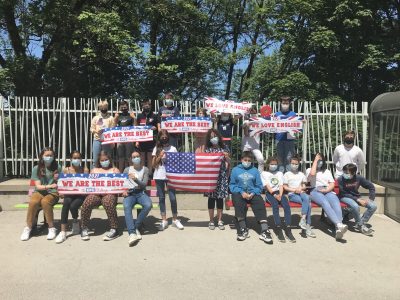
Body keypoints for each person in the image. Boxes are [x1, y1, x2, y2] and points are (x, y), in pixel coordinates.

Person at [229, 151, 273, 244]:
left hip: (252, 193)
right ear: (241, 160)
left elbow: (259, 186)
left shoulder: (255, 170)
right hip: (239, 192)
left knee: (260, 202)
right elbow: (232, 185)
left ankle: (265, 230)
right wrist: (241, 192)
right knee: (238, 202)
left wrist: (253, 193)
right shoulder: (235, 170)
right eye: (245, 160)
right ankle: (243, 228)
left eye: (249, 160)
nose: (247, 162)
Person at [20, 147, 62, 241]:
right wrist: (31, 192)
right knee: (33, 202)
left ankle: (51, 228)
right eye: (47, 155)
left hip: (53, 192)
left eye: (51, 155)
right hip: (39, 191)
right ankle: (28, 227)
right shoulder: (37, 168)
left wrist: (60, 191)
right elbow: (36, 185)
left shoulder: (57, 167)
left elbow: (60, 181)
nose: (49, 157)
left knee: (45, 202)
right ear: (42, 156)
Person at [80, 151, 120, 241]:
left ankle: (114, 228)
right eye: (102, 160)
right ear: (99, 161)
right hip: (96, 194)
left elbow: (119, 184)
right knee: (87, 202)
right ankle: (83, 228)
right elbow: (90, 184)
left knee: (107, 202)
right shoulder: (94, 170)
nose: (104, 161)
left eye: (106, 159)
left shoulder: (115, 170)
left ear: (109, 160)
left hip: (110, 193)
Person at [307, 153, 348, 240]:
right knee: (325, 203)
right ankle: (339, 224)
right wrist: (315, 160)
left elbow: (332, 183)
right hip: (315, 190)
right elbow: (312, 174)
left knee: (336, 203)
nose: (319, 162)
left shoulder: (327, 171)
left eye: (320, 160)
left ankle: (338, 229)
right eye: (317, 160)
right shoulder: (309, 170)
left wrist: (327, 190)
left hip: (327, 190)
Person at [152, 130, 184, 230]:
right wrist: (159, 156)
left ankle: (175, 219)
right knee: (161, 198)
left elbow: (178, 162)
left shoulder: (173, 148)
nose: (164, 137)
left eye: (166, 136)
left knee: (172, 198)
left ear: (168, 137)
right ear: (159, 137)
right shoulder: (156, 148)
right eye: (162, 136)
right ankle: (164, 220)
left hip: (170, 176)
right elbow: (153, 165)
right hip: (159, 175)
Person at [55, 151, 89, 244]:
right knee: (66, 204)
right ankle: (63, 232)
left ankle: (75, 220)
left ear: (81, 159)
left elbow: (87, 184)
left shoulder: (84, 170)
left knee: (73, 206)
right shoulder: (66, 170)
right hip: (69, 194)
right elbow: (61, 182)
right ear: (71, 159)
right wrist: (61, 191)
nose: (76, 160)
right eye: (74, 158)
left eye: (78, 158)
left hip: (80, 195)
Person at [262, 156, 296, 243]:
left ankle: (288, 228)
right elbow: (267, 186)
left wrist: (280, 195)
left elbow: (281, 185)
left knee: (286, 206)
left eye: (275, 164)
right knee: (275, 205)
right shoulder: (264, 173)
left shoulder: (280, 173)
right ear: (268, 164)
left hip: (279, 192)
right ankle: (278, 227)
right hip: (270, 193)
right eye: (272, 164)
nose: (273, 166)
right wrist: (274, 195)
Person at [123, 151, 152, 246]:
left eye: (137, 156)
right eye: (134, 157)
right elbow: (123, 182)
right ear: (131, 159)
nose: (136, 158)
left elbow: (144, 185)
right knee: (127, 206)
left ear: (141, 157)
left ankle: (135, 227)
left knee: (148, 205)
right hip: (130, 193)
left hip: (140, 192)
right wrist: (124, 190)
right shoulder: (127, 169)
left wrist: (136, 179)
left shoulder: (145, 169)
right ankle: (132, 233)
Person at [338, 163, 377, 236]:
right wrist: (358, 200)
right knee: (355, 206)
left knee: (373, 206)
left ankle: (360, 223)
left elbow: (371, 187)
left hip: (356, 197)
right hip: (344, 197)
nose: (345, 174)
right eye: (344, 172)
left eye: (347, 173)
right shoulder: (340, 179)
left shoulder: (359, 178)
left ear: (353, 173)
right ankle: (360, 226)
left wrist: (371, 199)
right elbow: (343, 193)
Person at [203, 129, 230, 230]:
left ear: (218, 137)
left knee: (220, 199)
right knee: (211, 199)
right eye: (211, 137)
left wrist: (227, 157)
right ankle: (211, 220)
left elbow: (229, 162)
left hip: (221, 176)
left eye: (215, 136)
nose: (213, 138)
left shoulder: (225, 148)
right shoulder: (207, 150)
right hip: (211, 177)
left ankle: (219, 220)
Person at [283, 155, 316, 238]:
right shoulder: (287, 174)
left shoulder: (301, 174)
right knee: (309, 204)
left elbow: (305, 186)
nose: (294, 165)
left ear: (299, 164)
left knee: (307, 198)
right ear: (290, 164)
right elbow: (285, 187)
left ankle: (303, 219)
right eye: (293, 163)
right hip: (292, 194)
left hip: (301, 192)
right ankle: (307, 226)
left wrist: (301, 188)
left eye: (296, 164)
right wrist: (294, 190)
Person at [274, 96, 298, 172]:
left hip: (289, 138)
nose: (285, 104)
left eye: (286, 103)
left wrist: (302, 121)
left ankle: (288, 175)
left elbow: (297, 124)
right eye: (283, 103)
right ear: (281, 103)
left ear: (289, 103)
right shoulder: (277, 114)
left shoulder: (293, 114)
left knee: (289, 158)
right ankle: (280, 175)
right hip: (279, 138)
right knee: (280, 158)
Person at [90, 100, 115, 168]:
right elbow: (91, 128)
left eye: (105, 108)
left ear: (107, 107)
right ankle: (94, 174)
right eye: (102, 108)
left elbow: (113, 130)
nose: (103, 109)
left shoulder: (111, 118)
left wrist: (112, 142)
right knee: (95, 159)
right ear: (99, 108)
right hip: (97, 140)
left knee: (107, 159)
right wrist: (96, 131)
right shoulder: (95, 118)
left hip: (107, 141)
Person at [135, 100, 158, 175]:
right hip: (142, 140)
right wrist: (137, 141)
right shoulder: (139, 116)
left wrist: (155, 128)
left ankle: (150, 173)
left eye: (147, 106)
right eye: (144, 106)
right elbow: (136, 128)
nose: (146, 107)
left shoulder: (154, 116)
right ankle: (142, 173)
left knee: (149, 157)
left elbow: (157, 127)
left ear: (150, 106)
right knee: (142, 157)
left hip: (151, 140)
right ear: (142, 107)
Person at [114, 100, 135, 172]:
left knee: (129, 156)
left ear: (128, 107)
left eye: (125, 107)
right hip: (120, 139)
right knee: (121, 157)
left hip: (129, 139)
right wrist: (115, 118)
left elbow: (135, 127)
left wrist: (134, 118)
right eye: (122, 107)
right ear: (120, 107)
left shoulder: (131, 116)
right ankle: (120, 172)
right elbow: (114, 127)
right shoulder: (118, 116)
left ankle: (132, 172)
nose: (123, 108)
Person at [241, 106, 264, 173]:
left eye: (254, 111)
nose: (253, 112)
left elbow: (266, 127)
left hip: (255, 145)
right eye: (251, 111)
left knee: (261, 160)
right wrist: (246, 126)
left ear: (257, 112)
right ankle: (243, 173)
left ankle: (260, 175)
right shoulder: (246, 121)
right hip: (246, 145)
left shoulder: (260, 120)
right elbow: (246, 134)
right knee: (244, 161)